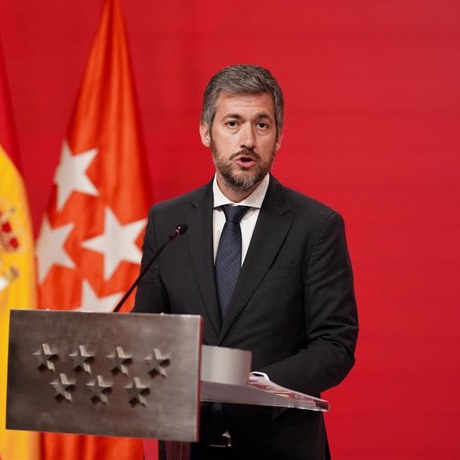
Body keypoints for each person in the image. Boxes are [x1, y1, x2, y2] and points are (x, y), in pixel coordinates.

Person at [133, 64, 358, 460]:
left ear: (279, 137)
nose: (247, 140)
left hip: (280, 446)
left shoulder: (316, 226)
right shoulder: (167, 222)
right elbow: (147, 331)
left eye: (262, 125)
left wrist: (258, 385)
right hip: (189, 447)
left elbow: (335, 345)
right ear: (206, 132)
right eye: (233, 123)